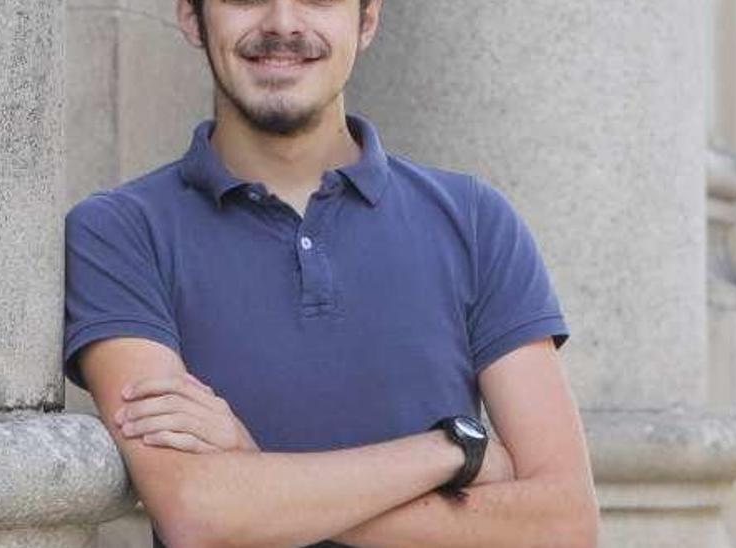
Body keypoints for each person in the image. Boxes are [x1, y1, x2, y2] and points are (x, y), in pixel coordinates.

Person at [62, 0, 599, 546]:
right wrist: (453, 451)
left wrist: (255, 483)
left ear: (367, 20)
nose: (283, 24)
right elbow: (197, 513)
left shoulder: (476, 221)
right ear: (190, 16)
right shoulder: (118, 233)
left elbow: (565, 522)